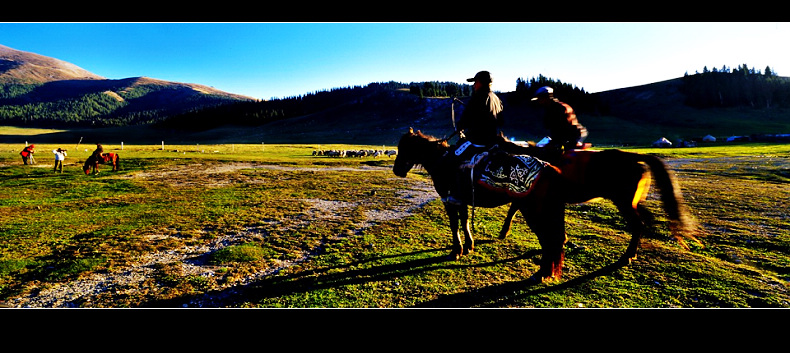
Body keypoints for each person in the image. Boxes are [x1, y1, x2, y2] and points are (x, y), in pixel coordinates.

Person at [531, 86, 588, 155]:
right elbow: (551, 128)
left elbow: (565, 128)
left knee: (568, 154)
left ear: (547, 97)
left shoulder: (561, 108)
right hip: (562, 136)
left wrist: (555, 143)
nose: (539, 101)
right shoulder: (548, 110)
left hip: (574, 135)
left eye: (540, 99)